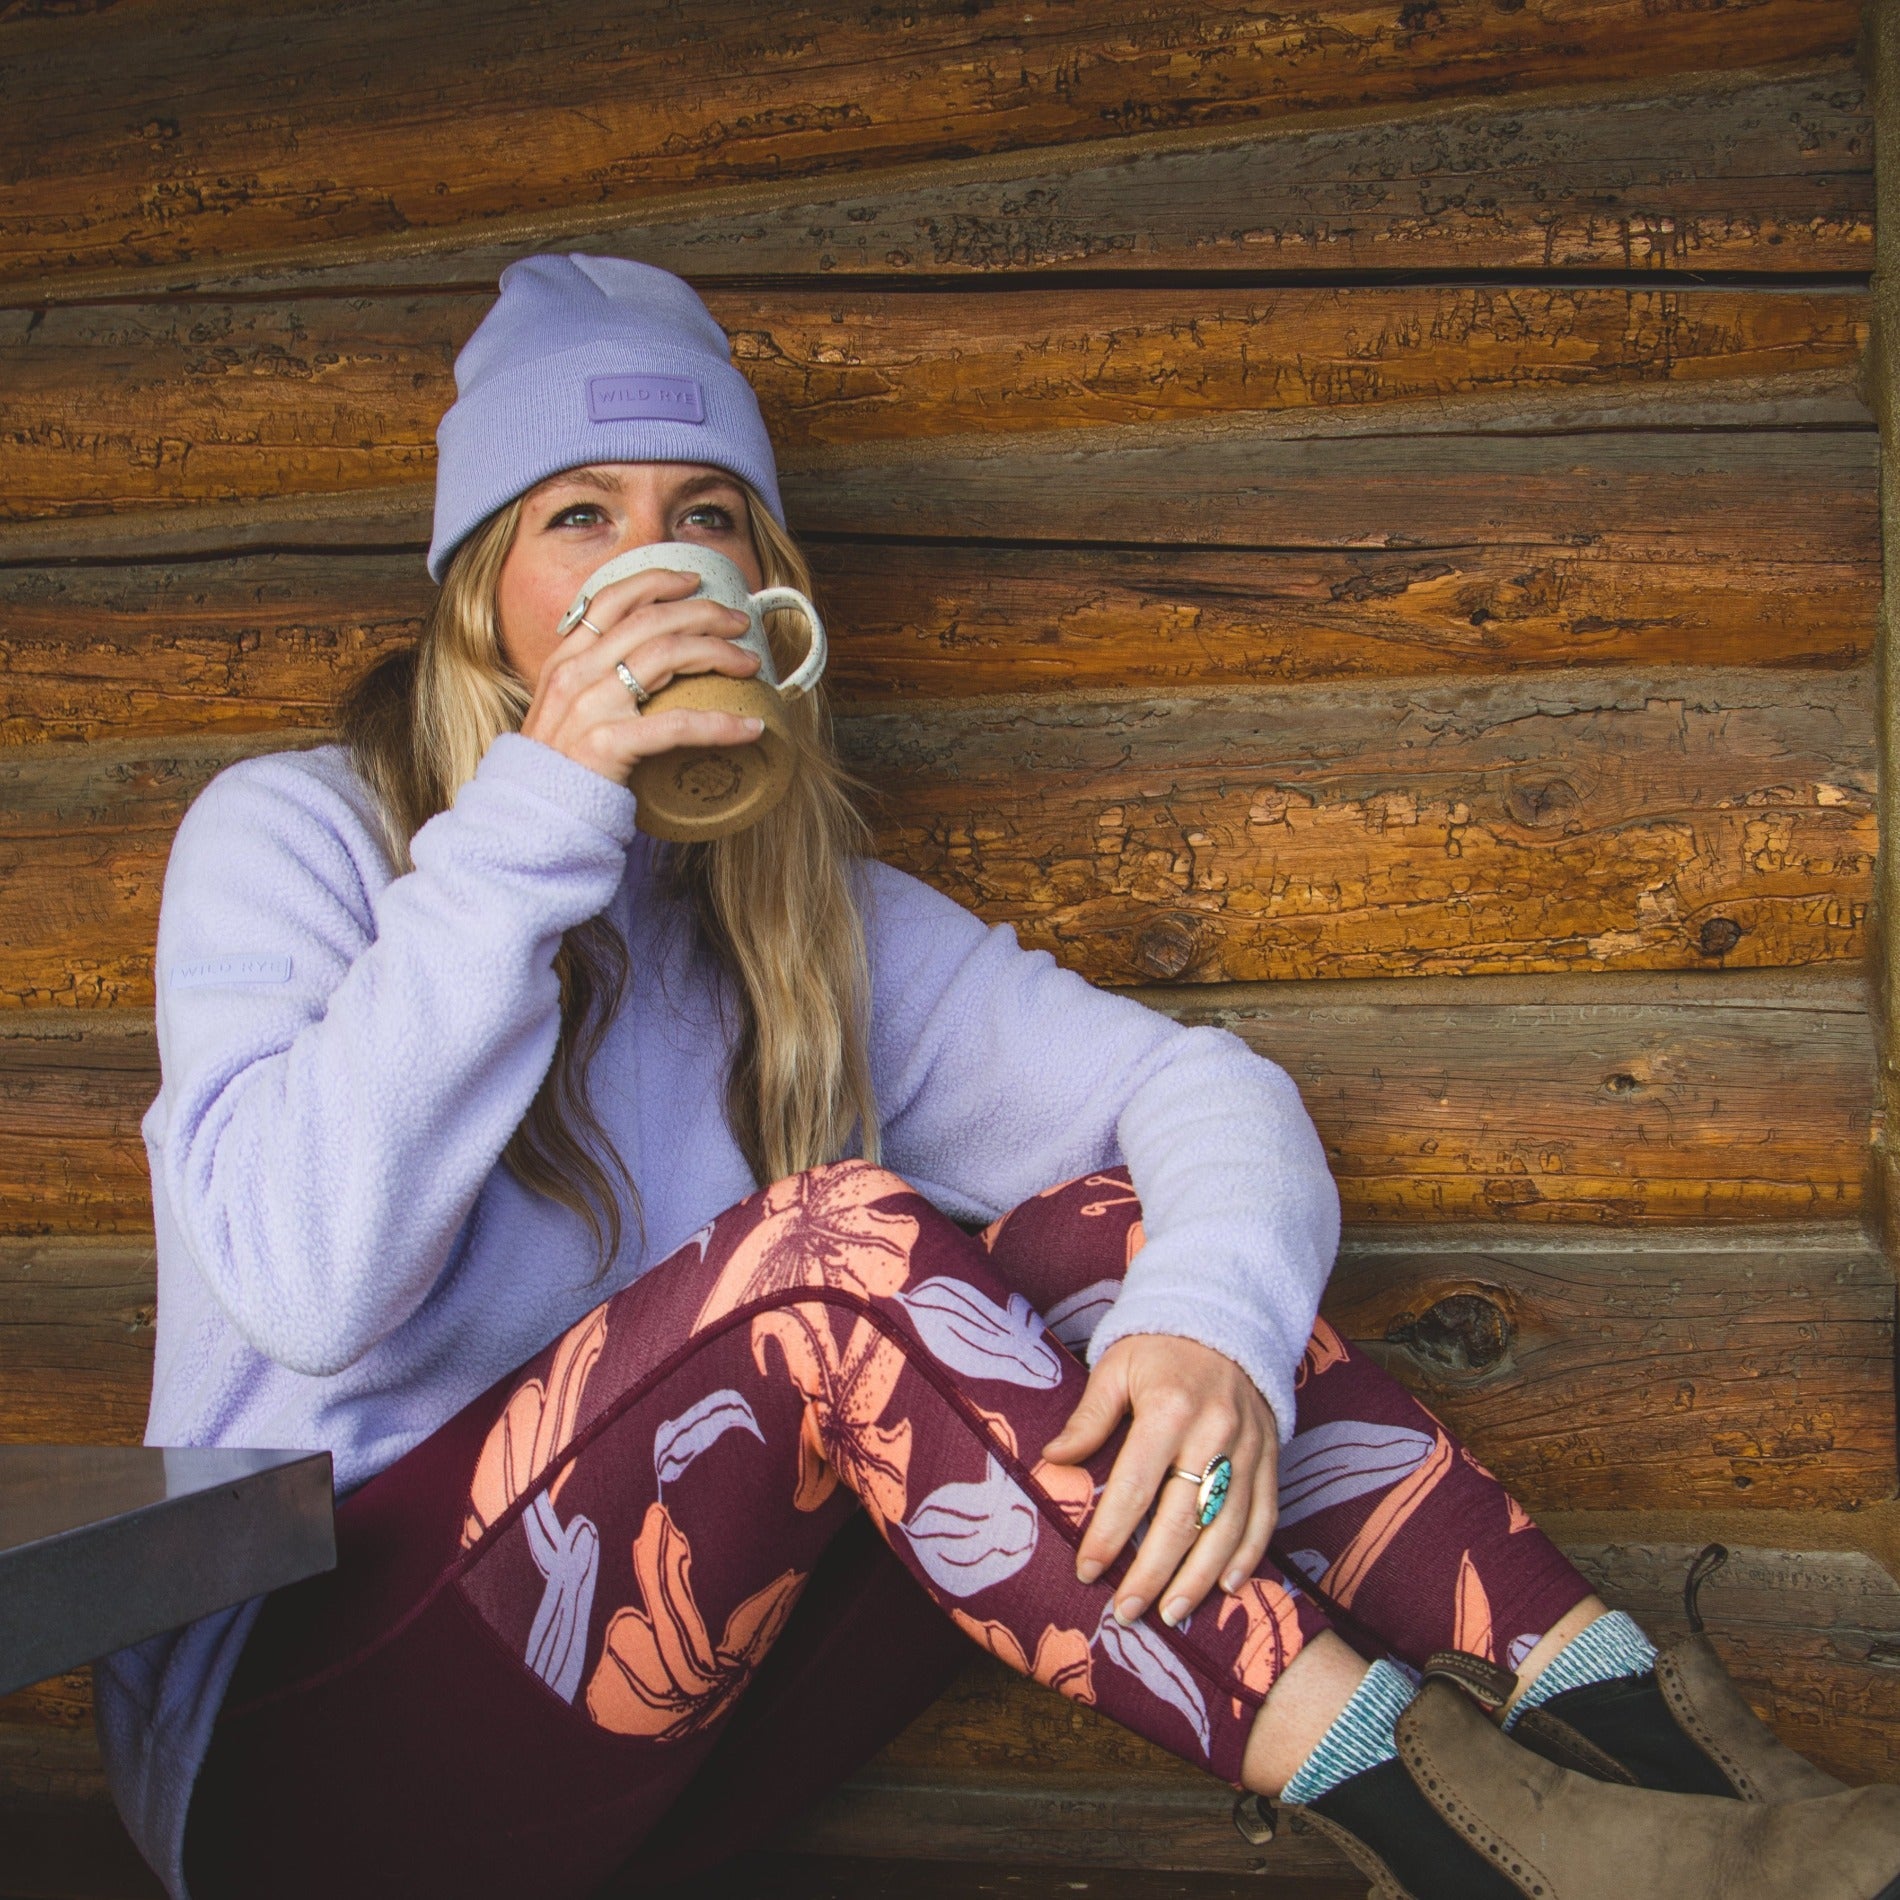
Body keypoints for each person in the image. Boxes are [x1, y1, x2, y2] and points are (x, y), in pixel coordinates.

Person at [94, 256, 1900, 1900]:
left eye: (705, 515)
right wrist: (545, 811)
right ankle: (1458, 1836)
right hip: (312, 1761)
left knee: (1114, 1238)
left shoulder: (793, 912)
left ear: (763, 592)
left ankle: (1674, 1766)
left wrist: (1207, 1323)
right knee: (833, 1258)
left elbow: (1200, 1092)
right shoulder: (303, 839)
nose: (657, 559)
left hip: (672, 1755)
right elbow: (310, 1288)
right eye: (583, 514)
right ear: (486, 596)